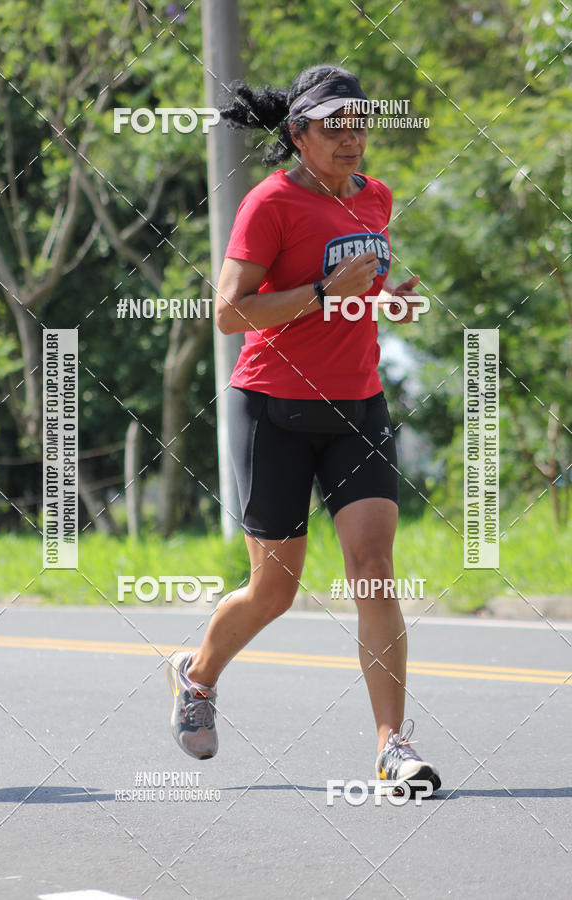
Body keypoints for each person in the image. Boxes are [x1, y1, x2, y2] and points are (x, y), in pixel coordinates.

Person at [168, 64, 441, 797]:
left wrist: (386, 302)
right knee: (275, 591)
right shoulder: (270, 203)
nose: (352, 139)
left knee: (373, 568)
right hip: (276, 409)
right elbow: (229, 312)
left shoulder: (377, 197)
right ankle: (196, 676)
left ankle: (393, 745)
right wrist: (324, 292)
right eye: (335, 127)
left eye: (361, 124)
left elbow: (360, 294)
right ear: (299, 134)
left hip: (359, 406)